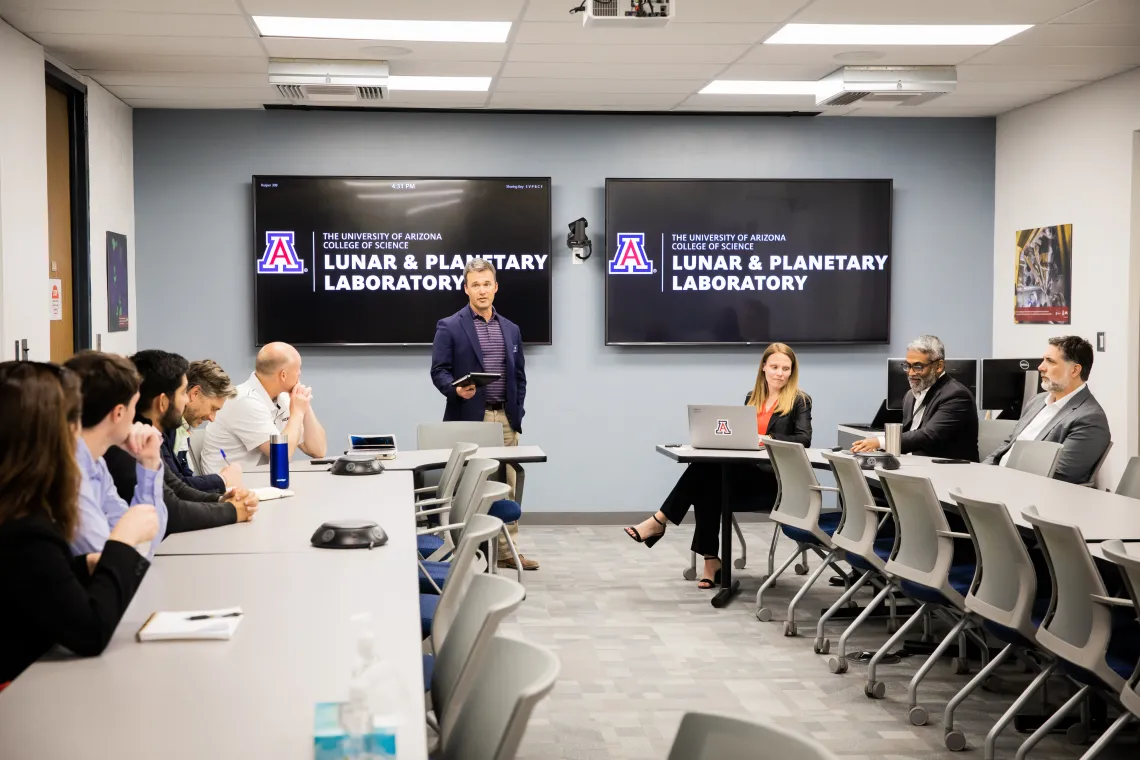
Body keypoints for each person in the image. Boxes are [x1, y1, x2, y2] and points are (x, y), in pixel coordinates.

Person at [0, 361, 158, 684]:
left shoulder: (19, 509)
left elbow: (34, 582)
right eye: (73, 420)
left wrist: (82, 566)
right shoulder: (25, 527)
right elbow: (91, 631)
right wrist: (122, 543)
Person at [625, 343, 812, 588]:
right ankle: (710, 560)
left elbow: (804, 439)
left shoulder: (800, 400)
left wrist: (768, 440)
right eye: (775, 366)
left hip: (774, 482)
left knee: (704, 476)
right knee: (707, 481)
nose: (780, 373)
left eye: (785, 368)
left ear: (792, 371)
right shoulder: (752, 397)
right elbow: (741, 434)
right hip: (746, 475)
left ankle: (660, 522)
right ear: (763, 367)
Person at [430, 258, 537, 571]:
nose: (481, 290)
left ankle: (507, 551)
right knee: (470, 486)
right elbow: (439, 371)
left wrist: (517, 412)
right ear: (466, 288)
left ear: (496, 287)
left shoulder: (511, 329)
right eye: (475, 284)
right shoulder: (449, 326)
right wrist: (455, 389)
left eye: (486, 283)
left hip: (505, 419)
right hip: (468, 419)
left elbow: (519, 376)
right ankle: (466, 552)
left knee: (509, 485)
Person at [102, 350, 258, 531]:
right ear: (162, 402)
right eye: (183, 393)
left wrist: (222, 500)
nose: (186, 400)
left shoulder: (145, 435)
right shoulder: (126, 445)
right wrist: (232, 511)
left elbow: (176, 488)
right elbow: (172, 510)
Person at [62, 351, 168, 558]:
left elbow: (147, 537)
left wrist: (149, 463)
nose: (136, 417)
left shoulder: (96, 463)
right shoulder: (70, 474)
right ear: (118, 413)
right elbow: (113, 563)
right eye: (134, 406)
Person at [984, 335, 1111, 484]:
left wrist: (999, 482)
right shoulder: (1037, 401)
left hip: (1027, 494)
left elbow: (1058, 476)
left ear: (1075, 370)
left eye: (1050, 361)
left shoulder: (1090, 419)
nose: (1040, 367)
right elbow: (1007, 445)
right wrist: (984, 472)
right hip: (998, 482)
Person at [201, 342, 327, 473]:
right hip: (227, 486)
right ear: (283, 375)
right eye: (298, 370)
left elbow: (318, 451)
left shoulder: (282, 399)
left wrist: (305, 404)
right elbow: (281, 457)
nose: (300, 374)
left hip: (257, 482)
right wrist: (298, 412)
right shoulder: (245, 401)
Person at [852, 335, 979, 461]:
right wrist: (876, 450)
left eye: (918, 367)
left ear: (939, 366)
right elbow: (908, 438)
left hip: (948, 473)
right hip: (914, 468)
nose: (911, 373)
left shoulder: (956, 395)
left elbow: (930, 435)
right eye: (907, 366)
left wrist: (880, 442)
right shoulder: (909, 396)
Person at [171, 359, 240, 493]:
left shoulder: (183, 429)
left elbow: (186, 479)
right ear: (195, 393)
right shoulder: (167, 431)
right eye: (212, 408)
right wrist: (223, 479)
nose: (212, 418)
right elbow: (177, 488)